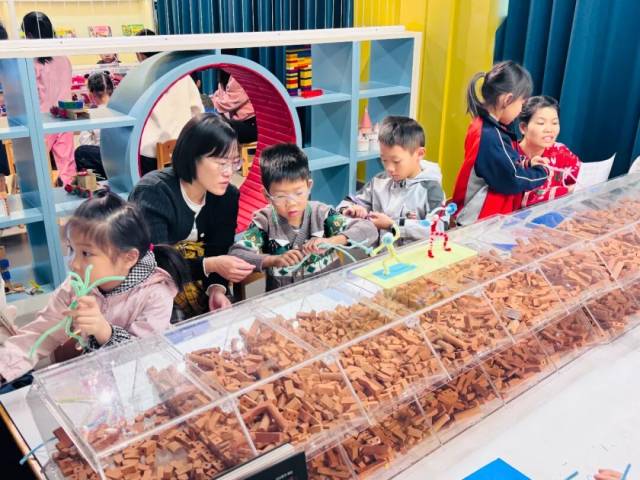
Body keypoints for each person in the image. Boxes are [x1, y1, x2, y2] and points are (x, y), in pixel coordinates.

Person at [0, 191, 188, 385]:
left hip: (142, 384)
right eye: (71, 249)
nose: (72, 263)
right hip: (96, 383)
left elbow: (143, 358)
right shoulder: (75, 286)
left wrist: (104, 330)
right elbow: (40, 333)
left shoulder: (156, 294)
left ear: (128, 258)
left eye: (86, 253)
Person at [130, 113, 253, 318]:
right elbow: (156, 263)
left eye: (234, 162)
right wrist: (211, 264)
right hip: (152, 288)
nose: (229, 172)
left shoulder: (227, 196)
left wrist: (216, 289)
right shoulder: (153, 192)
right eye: (221, 162)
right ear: (192, 157)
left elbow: (220, 248)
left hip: (197, 282)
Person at [229, 143, 378, 291]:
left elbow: (369, 229)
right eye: (280, 196)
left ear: (309, 186)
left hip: (330, 296)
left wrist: (331, 241)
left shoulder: (322, 214)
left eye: (298, 193)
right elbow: (237, 254)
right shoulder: (264, 221)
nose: (291, 203)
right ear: (267, 196)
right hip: (286, 300)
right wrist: (273, 260)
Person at [452, 60, 549, 226]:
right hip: (478, 221)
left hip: (480, 217)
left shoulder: (484, 125)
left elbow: (499, 163)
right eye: (522, 104)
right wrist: (542, 173)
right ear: (508, 99)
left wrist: (526, 163)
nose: (521, 111)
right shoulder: (491, 135)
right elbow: (512, 179)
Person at [338, 116, 445, 245]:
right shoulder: (379, 181)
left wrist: (393, 225)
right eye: (384, 160)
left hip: (412, 256)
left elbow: (438, 229)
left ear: (419, 154)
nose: (389, 168)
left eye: (396, 161)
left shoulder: (431, 189)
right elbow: (349, 202)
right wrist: (349, 209)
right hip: (380, 254)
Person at [135, 29, 204, 176]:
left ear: (139, 54)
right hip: (183, 146)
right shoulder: (182, 75)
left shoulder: (140, 79)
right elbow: (198, 112)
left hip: (151, 152)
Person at [22, 12, 76, 186]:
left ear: (30, 35)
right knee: (68, 168)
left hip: (41, 119)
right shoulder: (64, 59)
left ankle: (41, 199)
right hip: (65, 116)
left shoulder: (32, 62)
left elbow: (29, 94)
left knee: (36, 168)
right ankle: (71, 197)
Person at [517, 95, 581, 207]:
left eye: (555, 123)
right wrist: (568, 191)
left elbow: (582, 180)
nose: (549, 129)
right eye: (541, 123)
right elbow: (519, 199)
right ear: (523, 128)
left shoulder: (561, 151)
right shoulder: (511, 156)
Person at [74, 72, 114, 178]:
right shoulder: (122, 109)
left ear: (91, 95)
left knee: (81, 152)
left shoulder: (91, 115)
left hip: (104, 160)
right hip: (125, 157)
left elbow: (84, 142)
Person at [212, 70, 257, 144]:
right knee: (215, 125)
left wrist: (213, 101)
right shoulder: (223, 79)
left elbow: (228, 103)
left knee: (220, 129)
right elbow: (217, 96)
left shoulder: (240, 77)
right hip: (238, 122)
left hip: (251, 124)